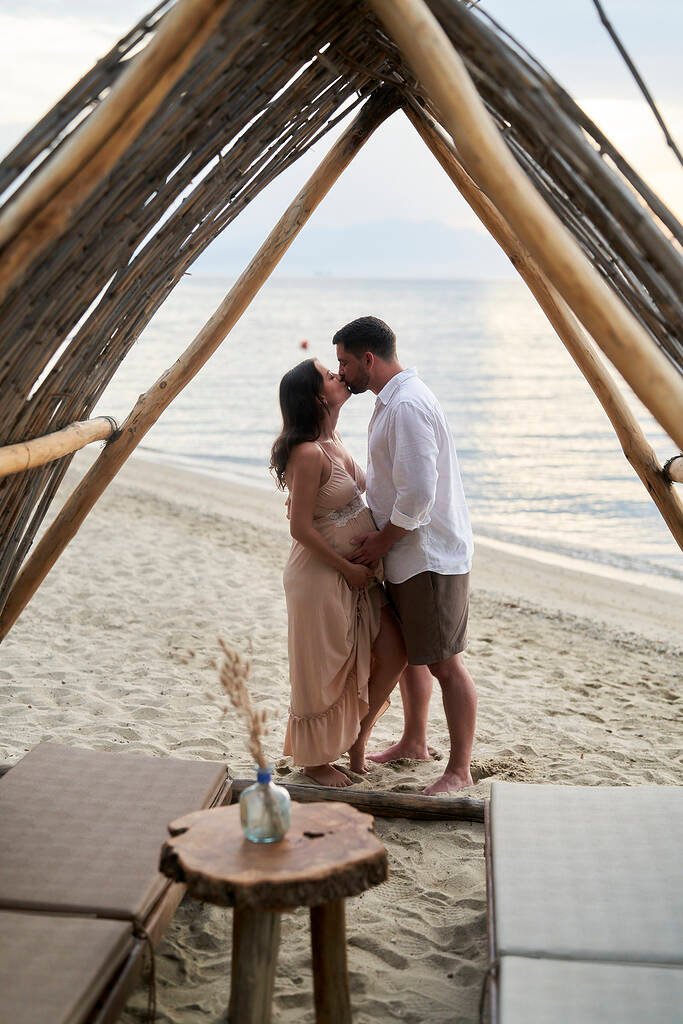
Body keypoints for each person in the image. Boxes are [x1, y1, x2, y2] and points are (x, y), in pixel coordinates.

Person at [333, 317, 477, 795]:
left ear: (368, 359)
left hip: (428, 555)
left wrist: (380, 541)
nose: (343, 373)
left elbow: (418, 494)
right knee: (418, 656)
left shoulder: (408, 405)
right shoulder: (391, 401)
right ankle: (414, 741)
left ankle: (459, 770)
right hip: (409, 554)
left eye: (345, 363)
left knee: (445, 663)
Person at [270, 357, 406, 788]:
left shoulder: (335, 442)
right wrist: (347, 568)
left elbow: (372, 488)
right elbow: (300, 526)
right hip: (322, 576)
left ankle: (356, 740)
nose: (339, 375)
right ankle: (315, 761)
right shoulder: (308, 452)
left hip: (354, 575)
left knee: (394, 649)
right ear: (316, 396)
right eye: (329, 375)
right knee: (324, 669)